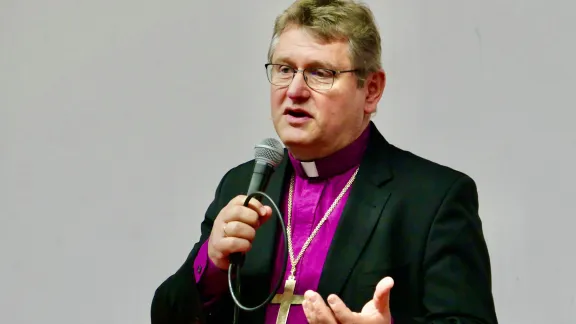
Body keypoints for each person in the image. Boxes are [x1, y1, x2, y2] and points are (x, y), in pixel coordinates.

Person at [151, 0, 498, 323]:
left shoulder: (434, 200)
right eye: (285, 69)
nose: (295, 91)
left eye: (320, 73)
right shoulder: (242, 185)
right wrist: (210, 265)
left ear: (372, 89)